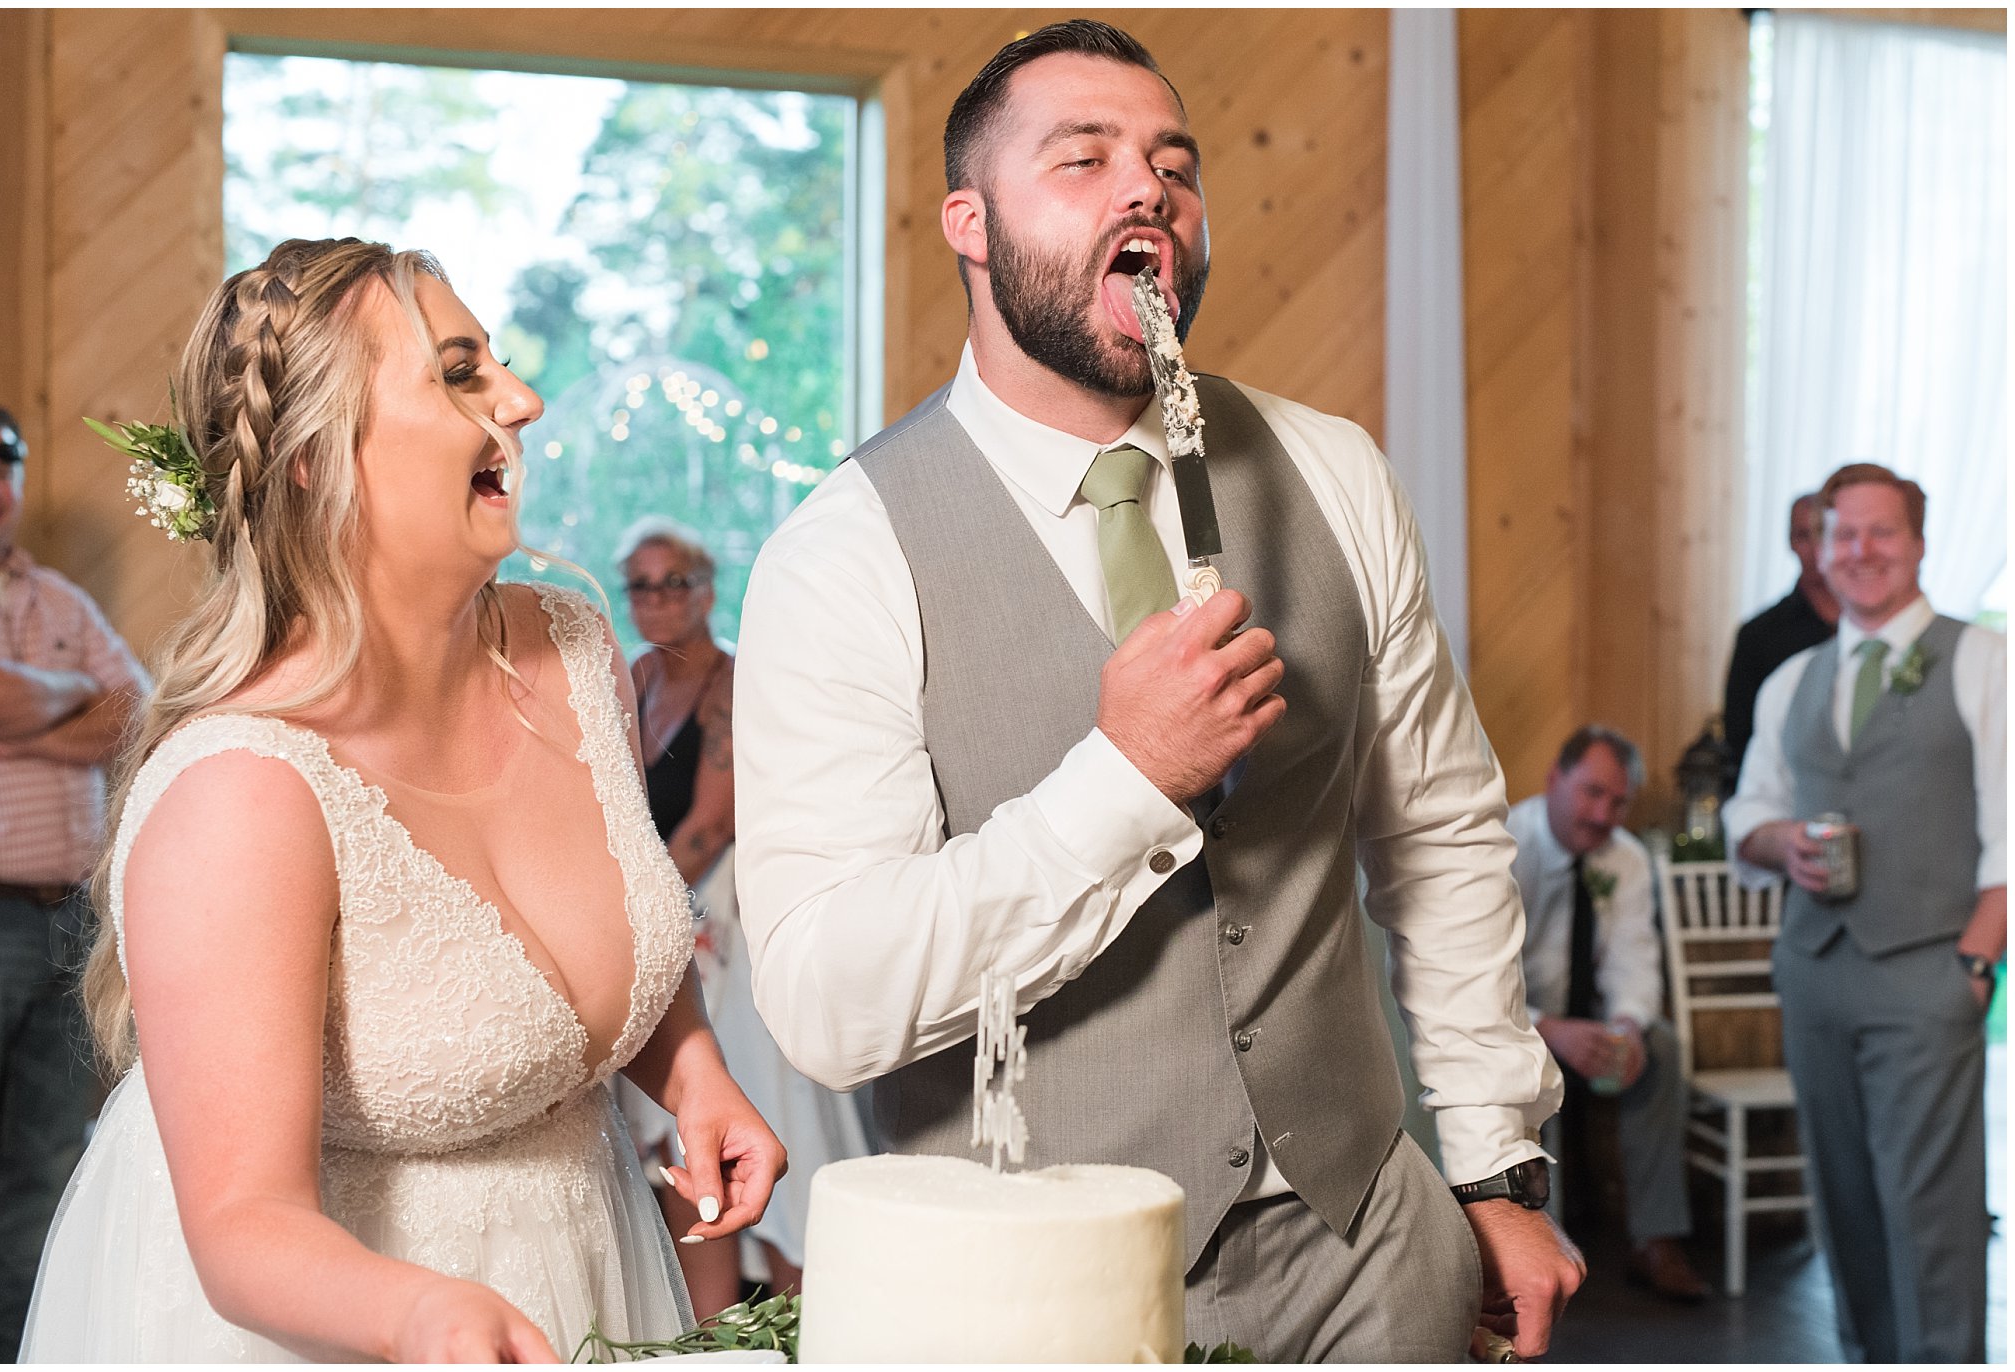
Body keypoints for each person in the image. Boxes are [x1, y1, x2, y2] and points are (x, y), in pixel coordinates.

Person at [734, 20, 1580, 1362]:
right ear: (972, 220)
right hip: (1031, 1297)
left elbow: (1440, 835)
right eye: (1083, 161)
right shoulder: (844, 554)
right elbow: (833, 1004)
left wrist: (1495, 1166)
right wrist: (1125, 781)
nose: (1147, 192)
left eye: (1172, 167)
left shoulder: (1335, 471)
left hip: (1373, 1257)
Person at [19, 238, 784, 1362]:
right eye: (460, 372)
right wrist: (422, 1310)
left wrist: (694, 1071)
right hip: (341, 1319)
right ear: (316, 461)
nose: (521, 402)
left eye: (500, 366)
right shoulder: (240, 792)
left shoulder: (573, 650)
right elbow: (241, 1225)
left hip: (589, 1260)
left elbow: (606, 927)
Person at [1726, 462, 2004, 1362]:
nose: (1862, 550)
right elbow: (1747, 812)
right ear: (1819, 549)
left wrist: (1974, 963)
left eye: (1882, 531)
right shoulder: (1792, 680)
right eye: (1843, 533)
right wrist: (1783, 841)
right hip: (1812, 974)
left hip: (1930, 969)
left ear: (1919, 543)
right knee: (1842, 1205)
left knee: (1931, 1209)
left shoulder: (1984, 659)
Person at [611, 516, 868, 1312]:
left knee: (763, 1117)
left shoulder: (732, 682)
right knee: (674, 1153)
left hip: (728, 919)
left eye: (673, 582)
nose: (657, 600)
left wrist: (633, 908)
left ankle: (811, 1330)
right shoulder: (637, 678)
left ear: (707, 591)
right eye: (641, 585)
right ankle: (711, 1339)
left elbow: (709, 826)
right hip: (655, 922)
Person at [0, 400, 149, 1361]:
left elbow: (136, 712)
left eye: (8, 456)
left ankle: (5, 1354)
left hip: (67, 922)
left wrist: (25, 711)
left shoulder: (59, 599)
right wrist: (70, 695)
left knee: (43, 1160)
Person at [1506, 726, 1710, 1303]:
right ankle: (1539, 1242)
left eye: (1617, 802)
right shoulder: (1504, 844)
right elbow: (1481, 978)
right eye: (1591, 793)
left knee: (1662, 1048)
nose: (1603, 814)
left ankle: (1657, 1240)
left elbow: (1634, 957)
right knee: (1514, 1059)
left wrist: (1628, 1025)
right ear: (1554, 779)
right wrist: (1548, 1029)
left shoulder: (1626, 858)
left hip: (1591, 1023)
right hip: (1519, 1022)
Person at [1722, 492, 1839, 783]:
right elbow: (1742, 739)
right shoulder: (1760, 635)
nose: (1815, 548)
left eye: (1824, 534)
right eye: (1803, 536)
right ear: (1790, 543)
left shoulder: (1870, 624)